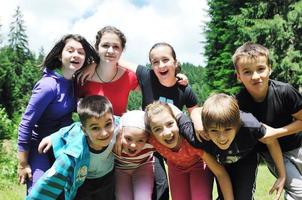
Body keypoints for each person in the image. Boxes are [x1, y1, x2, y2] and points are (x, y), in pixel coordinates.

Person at [17, 34, 99, 193]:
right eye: (70, 50)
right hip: (39, 148)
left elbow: (103, 58)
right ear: (60, 56)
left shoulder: (73, 82)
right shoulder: (48, 86)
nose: (76, 55)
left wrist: (94, 64)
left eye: (81, 52)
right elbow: (26, 124)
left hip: (61, 145)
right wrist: (23, 164)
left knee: (65, 193)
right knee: (40, 192)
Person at [233, 42, 302, 200]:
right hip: (271, 153)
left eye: (261, 69)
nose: (256, 76)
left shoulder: (285, 92)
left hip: (298, 146)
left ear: (269, 68)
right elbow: (268, 140)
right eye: (247, 72)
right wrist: (282, 175)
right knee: (299, 193)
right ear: (238, 76)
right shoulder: (240, 104)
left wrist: (276, 132)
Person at [186, 93, 285, 200]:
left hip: (246, 160)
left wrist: (282, 175)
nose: (222, 138)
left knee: (244, 197)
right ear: (205, 129)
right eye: (214, 130)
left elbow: (271, 140)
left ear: (238, 125)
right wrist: (195, 117)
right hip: (221, 164)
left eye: (227, 129)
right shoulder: (200, 136)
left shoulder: (250, 125)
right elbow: (183, 114)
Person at [27, 95, 119, 200]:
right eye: (95, 128)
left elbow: (134, 122)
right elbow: (49, 181)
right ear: (84, 130)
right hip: (83, 184)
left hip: (108, 181)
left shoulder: (119, 126)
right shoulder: (74, 153)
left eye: (108, 124)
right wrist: (55, 137)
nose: (104, 133)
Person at [144, 101, 234, 200]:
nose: (166, 133)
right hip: (176, 169)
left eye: (170, 124)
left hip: (199, 166)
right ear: (151, 133)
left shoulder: (192, 141)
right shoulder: (153, 141)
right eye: (157, 129)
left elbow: (220, 173)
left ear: (177, 122)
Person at [77, 26, 139, 116]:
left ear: (122, 50)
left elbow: (150, 89)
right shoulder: (84, 77)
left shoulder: (129, 77)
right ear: (97, 48)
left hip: (119, 129)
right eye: (105, 45)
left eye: (116, 47)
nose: (110, 51)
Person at [114, 110, 155, 200]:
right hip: (121, 170)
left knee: (143, 197)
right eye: (128, 138)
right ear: (120, 134)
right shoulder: (114, 142)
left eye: (140, 140)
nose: (133, 145)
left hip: (143, 167)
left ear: (148, 138)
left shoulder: (151, 143)